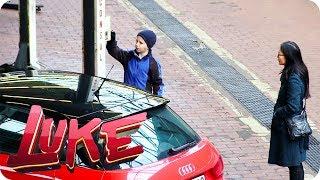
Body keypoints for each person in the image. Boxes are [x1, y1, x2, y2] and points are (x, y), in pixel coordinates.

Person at [268, 41, 310, 180]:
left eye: (280, 54)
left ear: (289, 56)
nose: (277, 57)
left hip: (290, 128)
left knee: (294, 163)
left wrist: (277, 113)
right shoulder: (295, 72)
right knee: (295, 163)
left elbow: (293, 106)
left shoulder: (293, 78)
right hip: (293, 125)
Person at [106, 29, 164, 96]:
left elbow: (158, 84)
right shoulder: (129, 57)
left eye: (141, 43)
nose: (137, 44)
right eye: (136, 41)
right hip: (127, 96)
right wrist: (111, 41)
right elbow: (113, 51)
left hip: (143, 100)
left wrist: (157, 101)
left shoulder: (153, 63)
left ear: (148, 46)